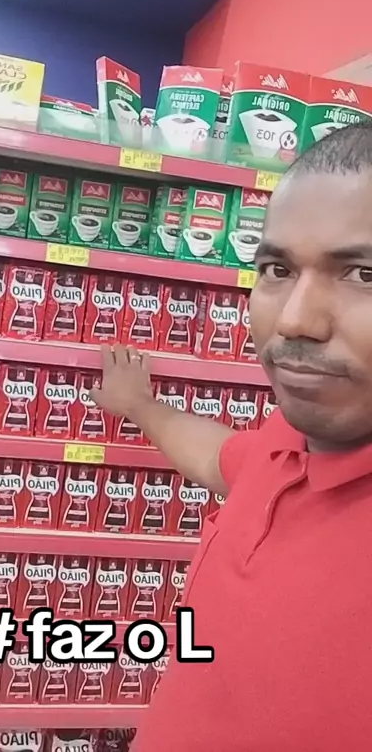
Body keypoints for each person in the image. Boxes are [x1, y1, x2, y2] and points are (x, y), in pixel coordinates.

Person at [91, 121, 372, 751]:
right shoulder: (292, 441)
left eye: (364, 274)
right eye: (277, 269)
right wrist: (140, 407)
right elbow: (222, 459)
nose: (295, 320)